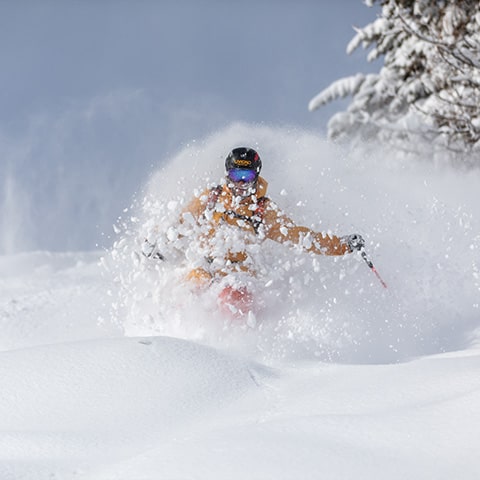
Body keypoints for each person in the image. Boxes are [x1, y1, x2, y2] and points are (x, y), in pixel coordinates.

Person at [144, 147, 365, 319]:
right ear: (228, 175)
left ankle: (235, 351)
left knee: (231, 297)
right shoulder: (212, 198)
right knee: (187, 291)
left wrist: (342, 245)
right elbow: (183, 221)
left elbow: (299, 236)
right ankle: (173, 343)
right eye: (236, 175)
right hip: (205, 264)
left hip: (239, 273)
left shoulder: (262, 210)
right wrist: (159, 242)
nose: (241, 183)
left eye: (246, 176)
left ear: (256, 176)